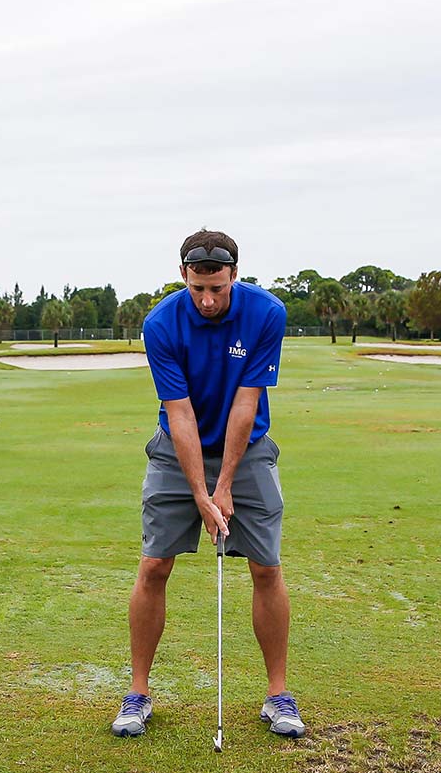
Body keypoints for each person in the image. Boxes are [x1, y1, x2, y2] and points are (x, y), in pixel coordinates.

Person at [111, 229, 305, 740]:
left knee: (266, 567)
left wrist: (226, 485)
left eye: (218, 287)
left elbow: (246, 405)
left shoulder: (266, 313)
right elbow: (181, 416)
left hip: (249, 449)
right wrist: (201, 492)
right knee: (154, 564)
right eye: (198, 287)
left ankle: (278, 695)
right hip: (177, 450)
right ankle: (138, 693)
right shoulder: (161, 323)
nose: (208, 299)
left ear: (234, 276)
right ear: (183, 276)